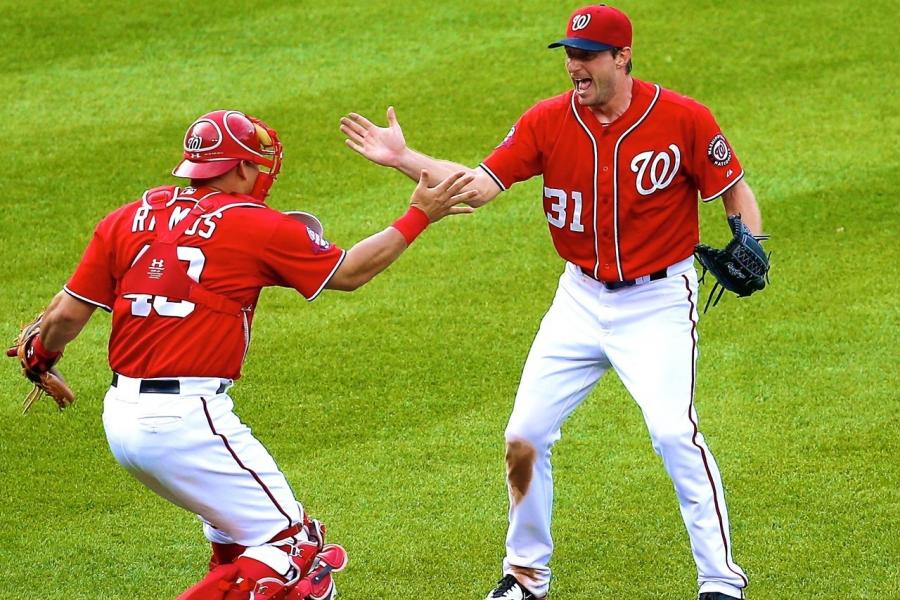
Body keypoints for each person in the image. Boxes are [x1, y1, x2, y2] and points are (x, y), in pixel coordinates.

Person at [339, 5, 764, 599]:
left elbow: (732, 188)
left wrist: (751, 238)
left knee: (674, 433)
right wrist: (405, 160)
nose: (574, 66)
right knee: (525, 436)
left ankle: (721, 583)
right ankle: (525, 578)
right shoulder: (545, 122)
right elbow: (479, 185)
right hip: (580, 299)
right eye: (570, 54)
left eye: (587, 55)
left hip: (658, 301)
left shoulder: (683, 119)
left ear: (623, 57)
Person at [10, 109, 475, 599]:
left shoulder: (128, 217)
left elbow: (63, 316)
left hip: (123, 419)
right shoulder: (255, 225)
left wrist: (40, 359)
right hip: (187, 421)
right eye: (254, 162)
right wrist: (419, 212)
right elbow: (351, 272)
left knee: (239, 539)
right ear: (236, 169)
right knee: (296, 551)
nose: (259, 171)